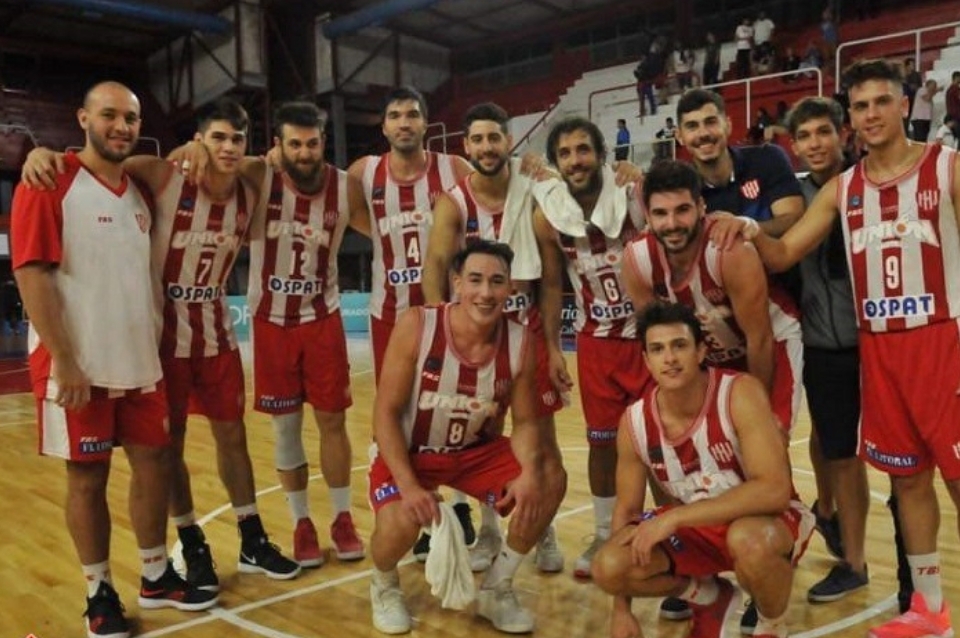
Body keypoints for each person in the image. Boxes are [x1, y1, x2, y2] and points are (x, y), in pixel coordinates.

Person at [713, 59, 960, 638]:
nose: (872, 114)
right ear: (852, 117)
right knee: (909, 479)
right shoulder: (842, 189)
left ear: (905, 105)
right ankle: (929, 609)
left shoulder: (947, 167)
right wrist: (749, 228)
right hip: (878, 348)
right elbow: (784, 252)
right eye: (861, 105)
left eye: (882, 101)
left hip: (942, 338)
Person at [21, 98, 304, 588]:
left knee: (233, 437)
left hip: (216, 331)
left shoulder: (252, 185)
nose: (228, 147)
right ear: (199, 140)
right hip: (162, 336)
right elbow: (102, 167)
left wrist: (259, 152)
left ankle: (251, 537)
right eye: (217, 138)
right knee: (165, 448)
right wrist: (42, 154)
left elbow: (268, 162)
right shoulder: (162, 174)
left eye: (236, 139)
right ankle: (190, 539)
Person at [11, 81, 217, 638]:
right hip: (77, 364)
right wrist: (65, 359)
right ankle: (98, 593)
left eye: (130, 118)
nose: (121, 126)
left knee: (154, 463)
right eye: (109, 115)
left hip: (139, 360)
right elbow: (31, 273)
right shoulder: (49, 182)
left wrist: (195, 146)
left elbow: (171, 165)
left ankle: (155, 575)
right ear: (83, 119)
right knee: (87, 477)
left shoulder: (138, 191)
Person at [367, 240, 566, 635]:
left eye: (496, 282)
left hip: (476, 453)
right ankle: (384, 585)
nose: (485, 292)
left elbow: (526, 423)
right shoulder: (417, 325)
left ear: (510, 288)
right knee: (401, 523)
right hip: (411, 452)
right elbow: (384, 414)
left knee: (549, 479)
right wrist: (409, 486)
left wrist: (528, 472)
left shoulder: (521, 341)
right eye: (475, 280)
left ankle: (497, 588)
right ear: (457, 283)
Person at [591, 301, 814, 638]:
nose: (669, 358)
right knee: (609, 566)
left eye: (679, 345)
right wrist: (621, 610)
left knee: (749, 542)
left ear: (700, 352)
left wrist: (675, 518)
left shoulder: (739, 393)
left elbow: (774, 490)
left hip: (766, 521)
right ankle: (710, 596)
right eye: (658, 349)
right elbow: (627, 511)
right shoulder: (634, 422)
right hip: (697, 529)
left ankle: (771, 625)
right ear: (646, 361)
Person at [421, 102, 565, 574]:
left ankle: (543, 526)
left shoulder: (534, 188)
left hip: (527, 332)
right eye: (478, 139)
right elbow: (435, 268)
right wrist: (441, 334)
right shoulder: (454, 202)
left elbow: (550, 280)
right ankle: (489, 529)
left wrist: (554, 345)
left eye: (494, 137)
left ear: (509, 140)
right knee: (483, 440)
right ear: (467, 146)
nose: (487, 147)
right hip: (477, 339)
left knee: (540, 439)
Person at [347, 85, 475, 557]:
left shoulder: (453, 168)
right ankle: (415, 510)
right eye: (395, 115)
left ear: (425, 123)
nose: (404, 122)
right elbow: (354, 216)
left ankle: (458, 507)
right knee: (401, 415)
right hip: (391, 315)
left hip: (448, 312)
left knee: (453, 408)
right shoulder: (363, 173)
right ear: (384, 127)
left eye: (412, 114)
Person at [245, 101, 365, 566]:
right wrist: (196, 148)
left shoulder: (345, 186)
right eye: (294, 144)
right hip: (271, 322)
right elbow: (206, 164)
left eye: (312, 143)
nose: (304, 152)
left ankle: (342, 518)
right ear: (278, 145)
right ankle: (301, 522)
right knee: (286, 427)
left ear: (323, 142)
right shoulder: (259, 177)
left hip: (321, 318)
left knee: (333, 422)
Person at [533, 116, 648, 579]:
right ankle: (604, 532)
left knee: (662, 442)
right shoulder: (548, 217)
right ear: (556, 164)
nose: (575, 160)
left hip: (647, 340)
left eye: (583, 150)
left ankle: (669, 532)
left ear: (601, 155)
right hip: (596, 343)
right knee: (601, 444)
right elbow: (550, 285)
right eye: (565, 153)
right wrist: (552, 348)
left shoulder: (633, 195)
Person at [621, 159, 803, 435]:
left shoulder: (729, 250)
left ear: (701, 207)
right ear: (647, 215)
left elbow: (760, 339)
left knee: (767, 438)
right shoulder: (637, 260)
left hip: (769, 344)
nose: (672, 224)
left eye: (682, 210)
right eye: (660, 213)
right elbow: (656, 338)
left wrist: (757, 413)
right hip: (709, 354)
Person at [785, 96, 871, 603]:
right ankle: (844, 543)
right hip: (821, 343)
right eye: (804, 136)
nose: (815, 143)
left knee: (862, 452)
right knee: (834, 444)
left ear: (843, 134)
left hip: (880, 341)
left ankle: (849, 538)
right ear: (794, 146)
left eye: (823, 132)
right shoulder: (791, 198)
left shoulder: (871, 184)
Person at [674, 89, 804, 238]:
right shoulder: (680, 188)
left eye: (711, 122)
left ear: (728, 125)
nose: (703, 134)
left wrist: (744, 227)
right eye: (692, 126)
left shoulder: (768, 158)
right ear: (679, 136)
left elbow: (793, 220)